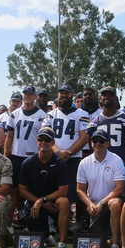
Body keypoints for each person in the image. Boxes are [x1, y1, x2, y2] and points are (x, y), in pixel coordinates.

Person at [18, 126, 71, 248]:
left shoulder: (59, 163)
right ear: (37, 141)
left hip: (53, 202)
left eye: (47, 140)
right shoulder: (28, 163)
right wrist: (38, 201)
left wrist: (43, 200)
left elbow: (63, 190)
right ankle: (46, 236)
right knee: (35, 227)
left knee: (64, 202)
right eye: (41, 139)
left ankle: (62, 244)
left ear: (53, 143)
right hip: (34, 202)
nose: (44, 142)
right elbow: (22, 190)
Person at [76, 127, 125, 248]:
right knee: (98, 247)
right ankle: (114, 242)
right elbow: (80, 189)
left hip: (110, 202)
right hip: (94, 207)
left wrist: (102, 203)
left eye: (101, 141)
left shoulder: (116, 160)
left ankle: (115, 245)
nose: (98, 144)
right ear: (91, 143)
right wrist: (90, 204)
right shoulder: (84, 163)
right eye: (95, 141)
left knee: (114, 203)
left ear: (108, 143)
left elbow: (120, 188)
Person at [42, 84, 90, 214]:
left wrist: (68, 153)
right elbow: (45, 137)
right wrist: (58, 151)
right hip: (54, 158)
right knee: (53, 190)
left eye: (66, 93)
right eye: (61, 93)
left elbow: (84, 137)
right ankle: (55, 220)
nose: (63, 95)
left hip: (73, 159)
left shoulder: (83, 114)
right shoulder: (50, 115)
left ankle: (75, 220)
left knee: (74, 191)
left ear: (71, 95)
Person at [4, 86, 47, 221]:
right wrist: (6, 157)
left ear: (35, 97)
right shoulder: (15, 113)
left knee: (34, 190)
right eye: (25, 94)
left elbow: (43, 138)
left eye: (30, 94)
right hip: (16, 156)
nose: (27, 96)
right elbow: (9, 136)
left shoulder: (41, 115)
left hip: (33, 157)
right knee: (13, 190)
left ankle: (36, 222)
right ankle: (10, 222)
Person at [85, 86, 125, 163]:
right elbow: (91, 146)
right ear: (100, 98)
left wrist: (124, 158)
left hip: (120, 163)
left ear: (115, 98)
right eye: (104, 95)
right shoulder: (94, 123)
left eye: (110, 95)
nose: (107, 97)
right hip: (101, 163)